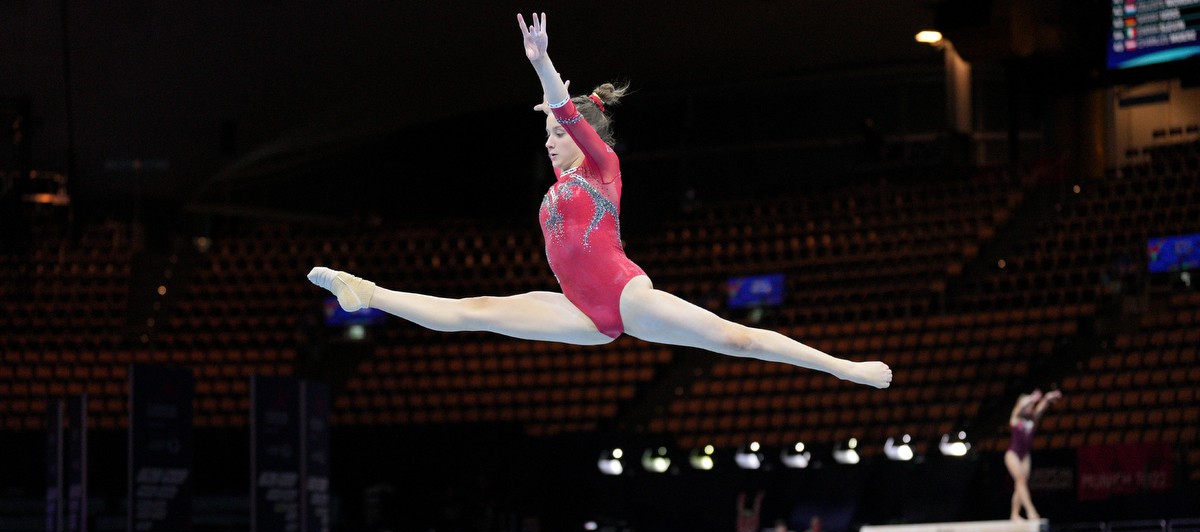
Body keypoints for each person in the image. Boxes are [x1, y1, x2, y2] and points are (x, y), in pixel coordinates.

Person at [306, 12, 891, 390]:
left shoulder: (604, 168)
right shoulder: (558, 183)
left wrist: (543, 66)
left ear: (582, 136)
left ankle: (843, 368)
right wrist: (552, 101)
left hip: (626, 297)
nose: (550, 144)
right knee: (472, 312)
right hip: (579, 312)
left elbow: (567, 114)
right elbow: (559, 123)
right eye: (546, 136)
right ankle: (366, 293)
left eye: (557, 136)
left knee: (736, 338)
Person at [1006, 388, 1062, 520]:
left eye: (1031, 405)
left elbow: (1042, 406)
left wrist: (1048, 397)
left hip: (1025, 456)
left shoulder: (1033, 418)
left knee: (1021, 484)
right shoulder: (1015, 418)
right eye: (1027, 405)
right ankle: (1031, 511)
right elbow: (1020, 405)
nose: (1029, 407)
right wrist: (1031, 398)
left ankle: (1014, 515)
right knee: (1020, 481)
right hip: (1013, 454)